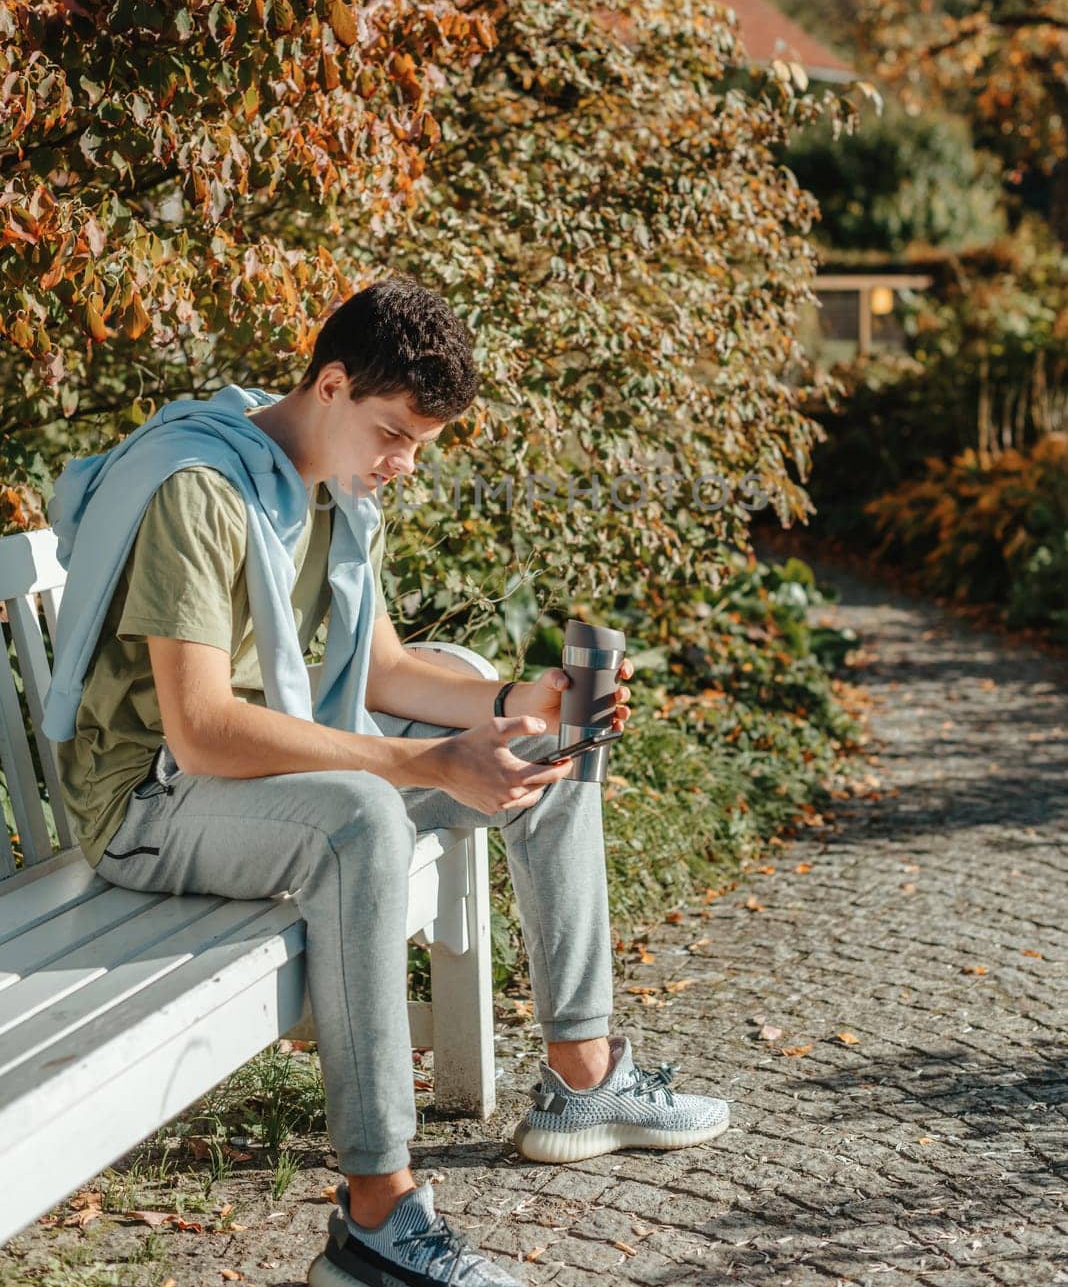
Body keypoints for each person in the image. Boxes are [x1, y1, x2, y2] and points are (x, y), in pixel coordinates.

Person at [47, 276, 729, 1287]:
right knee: (364, 817)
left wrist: (519, 700)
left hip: (260, 767)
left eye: (419, 444)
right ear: (330, 385)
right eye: (395, 435)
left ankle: (583, 1080)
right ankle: (377, 1219)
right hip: (148, 802)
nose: (403, 464)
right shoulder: (202, 487)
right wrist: (424, 760)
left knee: (543, 740)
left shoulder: (328, 481)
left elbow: (383, 671)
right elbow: (200, 731)